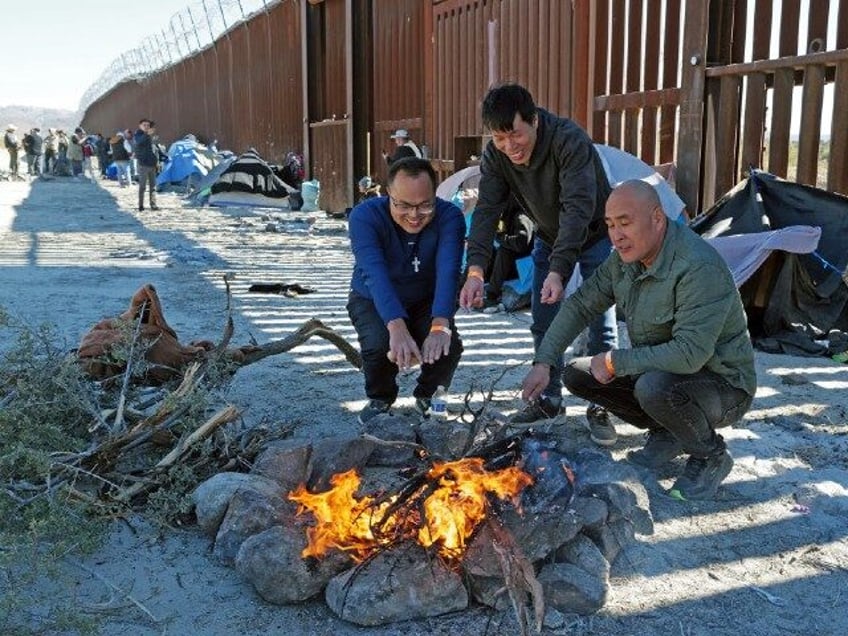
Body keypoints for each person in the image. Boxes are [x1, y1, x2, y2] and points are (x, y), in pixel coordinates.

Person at [522, 180, 756, 500]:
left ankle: (710, 455)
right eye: (610, 225)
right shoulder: (623, 260)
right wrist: (544, 360)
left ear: (657, 218)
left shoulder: (697, 265)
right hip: (668, 376)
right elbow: (581, 304)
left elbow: (690, 354)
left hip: (724, 385)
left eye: (625, 223)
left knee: (653, 387)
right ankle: (668, 432)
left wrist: (616, 361)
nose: (616, 235)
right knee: (578, 372)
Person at [459, 83, 618, 444]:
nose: (509, 147)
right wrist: (475, 271)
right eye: (499, 138)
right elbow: (486, 211)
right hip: (548, 235)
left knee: (601, 322)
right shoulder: (496, 155)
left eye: (515, 134)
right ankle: (549, 400)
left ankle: (602, 403)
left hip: (595, 232)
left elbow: (577, 209)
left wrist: (560, 270)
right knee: (543, 317)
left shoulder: (568, 140)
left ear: (533, 120)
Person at [347, 156, 465, 424]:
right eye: (404, 206)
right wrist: (396, 326)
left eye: (425, 205)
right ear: (388, 193)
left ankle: (429, 394)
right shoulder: (364, 216)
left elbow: (449, 271)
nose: (414, 216)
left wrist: (439, 326)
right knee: (379, 345)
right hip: (372, 297)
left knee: (449, 345)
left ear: (435, 195)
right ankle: (380, 398)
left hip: (426, 297)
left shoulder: (450, 217)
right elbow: (374, 273)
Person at [481, 195, 535, 309]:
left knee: (504, 251)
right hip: (512, 265)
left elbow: (520, 244)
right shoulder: (507, 216)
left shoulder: (521, 216)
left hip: (522, 266)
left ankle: (492, 294)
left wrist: (500, 237)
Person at [133, 118, 159, 211]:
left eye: (148, 125)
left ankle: (153, 204)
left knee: (153, 187)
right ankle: (141, 205)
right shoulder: (138, 135)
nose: (146, 127)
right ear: (140, 126)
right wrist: (146, 133)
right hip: (143, 165)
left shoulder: (148, 136)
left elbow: (152, 150)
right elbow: (139, 142)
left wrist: (156, 162)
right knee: (142, 187)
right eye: (144, 125)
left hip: (152, 164)